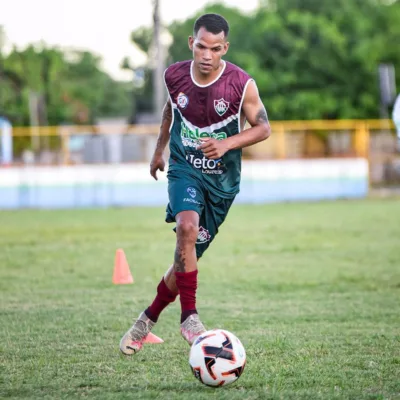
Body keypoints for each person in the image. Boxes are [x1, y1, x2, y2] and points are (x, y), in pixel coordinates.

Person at [120, 13, 271, 355]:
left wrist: (227, 144)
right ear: (192, 43)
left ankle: (145, 321)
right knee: (186, 228)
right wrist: (159, 152)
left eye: (215, 49)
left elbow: (263, 128)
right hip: (185, 168)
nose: (207, 55)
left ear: (224, 48)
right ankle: (190, 317)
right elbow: (170, 112)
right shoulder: (174, 76)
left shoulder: (241, 84)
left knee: (186, 259)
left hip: (221, 182)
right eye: (201, 46)